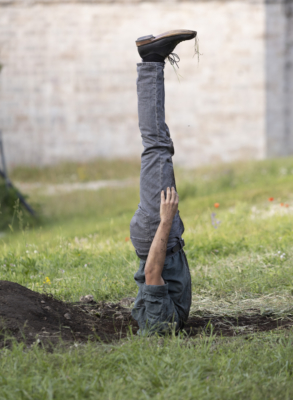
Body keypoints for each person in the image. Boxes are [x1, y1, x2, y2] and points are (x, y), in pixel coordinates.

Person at [130, 30, 197, 335]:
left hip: (159, 231)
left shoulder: (161, 325)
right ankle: (152, 61)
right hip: (162, 235)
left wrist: (166, 220)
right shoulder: (163, 323)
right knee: (159, 146)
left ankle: (151, 60)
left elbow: (153, 271)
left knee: (156, 144)